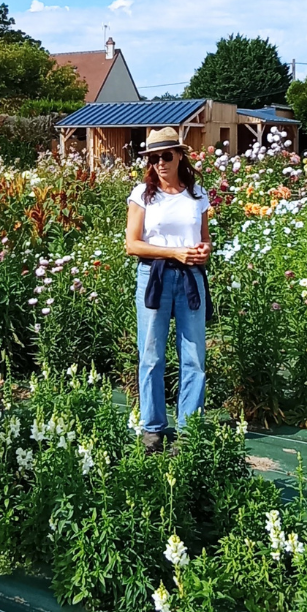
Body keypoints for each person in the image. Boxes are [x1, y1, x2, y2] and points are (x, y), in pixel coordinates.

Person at [124, 127, 212, 453]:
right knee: (151, 355)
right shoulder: (142, 195)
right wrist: (173, 253)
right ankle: (153, 428)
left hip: (190, 279)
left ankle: (189, 431)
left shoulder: (197, 195)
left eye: (166, 156)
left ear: (179, 156)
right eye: (153, 157)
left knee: (194, 357)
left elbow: (204, 239)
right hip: (155, 277)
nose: (160, 163)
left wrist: (204, 251)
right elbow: (132, 245)